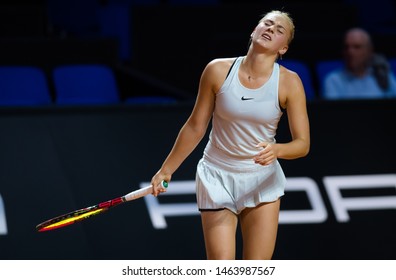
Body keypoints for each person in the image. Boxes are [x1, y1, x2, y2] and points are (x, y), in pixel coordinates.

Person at [150, 10, 310, 260]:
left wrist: (277, 150)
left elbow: (302, 144)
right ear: (253, 31)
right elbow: (195, 126)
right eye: (266, 23)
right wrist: (166, 169)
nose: (270, 29)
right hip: (217, 175)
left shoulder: (290, 82)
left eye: (279, 30)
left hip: (261, 179)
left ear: (284, 49)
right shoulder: (217, 70)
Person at [322, 27, 396, 99]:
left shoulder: (383, 75)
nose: (350, 52)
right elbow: (334, 110)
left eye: (357, 47)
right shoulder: (334, 80)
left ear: (369, 51)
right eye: (346, 47)